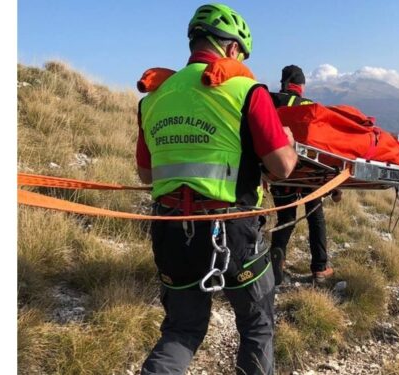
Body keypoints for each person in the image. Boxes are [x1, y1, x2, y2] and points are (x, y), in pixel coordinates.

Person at [134, 4, 297, 374]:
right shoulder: (246, 91)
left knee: (182, 330)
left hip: (171, 231)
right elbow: (283, 167)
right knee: (256, 325)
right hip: (232, 232)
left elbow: (147, 174)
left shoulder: (153, 98)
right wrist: (287, 142)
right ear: (232, 50)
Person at [267, 65, 338, 285]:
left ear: (284, 83)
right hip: (310, 174)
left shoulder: (269, 101)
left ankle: (277, 260)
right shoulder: (311, 107)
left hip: (281, 171)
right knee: (316, 217)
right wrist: (335, 184)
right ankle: (320, 267)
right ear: (301, 86)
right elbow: (327, 149)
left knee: (286, 217)